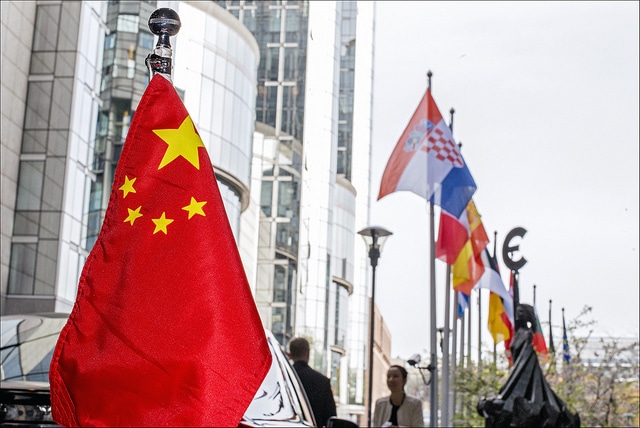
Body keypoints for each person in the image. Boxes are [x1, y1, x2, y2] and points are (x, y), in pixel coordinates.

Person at [477, 303, 580, 427]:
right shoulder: (518, 334)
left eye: (521, 312)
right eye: (518, 312)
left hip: (524, 375)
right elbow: (518, 362)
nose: (518, 314)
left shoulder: (527, 335)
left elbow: (524, 361)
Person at [289, 337, 337, 428]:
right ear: (308, 352)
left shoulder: (283, 379)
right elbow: (330, 418)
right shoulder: (322, 382)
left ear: (290, 354)